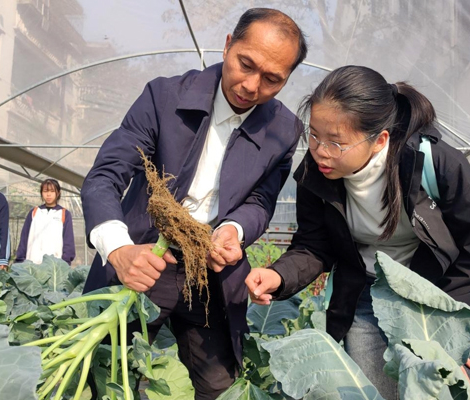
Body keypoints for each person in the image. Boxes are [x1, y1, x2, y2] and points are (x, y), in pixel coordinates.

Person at [81, 8, 307, 399]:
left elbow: (260, 200)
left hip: (211, 274)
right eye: (245, 64)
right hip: (146, 259)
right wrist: (117, 249)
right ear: (227, 46)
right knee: (106, 374)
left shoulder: (284, 130)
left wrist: (233, 230)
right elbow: (105, 176)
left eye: (273, 79)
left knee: (220, 386)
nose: (252, 86)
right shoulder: (164, 97)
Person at [245, 66, 470, 398]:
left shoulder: (433, 163)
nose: (320, 150)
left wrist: (456, 336)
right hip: (368, 294)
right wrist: (278, 276)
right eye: (314, 135)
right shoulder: (314, 173)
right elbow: (313, 245)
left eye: (336, 142)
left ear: (379, 140)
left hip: (438, 296)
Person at [15, 178, 75, 265]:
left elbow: (68, 241)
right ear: (41, 193)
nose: (48, 194)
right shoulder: (34, 212)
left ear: (58, 193)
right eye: (45, 191)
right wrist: (20, 260)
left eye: (52, 191)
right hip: (32, 263)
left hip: (55, 265)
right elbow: (24, 237)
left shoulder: (64, 213)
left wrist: (65, 262)